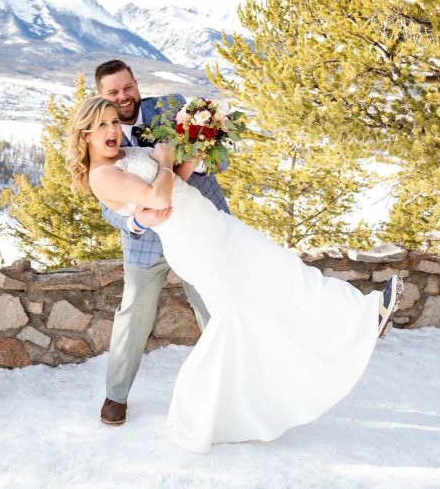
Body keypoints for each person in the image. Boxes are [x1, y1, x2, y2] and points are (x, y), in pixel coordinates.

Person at [67, 97, 403, 454]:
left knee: (279, 270)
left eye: (114, 122)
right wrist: (164, 162)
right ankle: (214, 407)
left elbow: (175, 184)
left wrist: (193, 153)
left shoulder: (123, 157)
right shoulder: (101, 175)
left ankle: (357, 318)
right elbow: (158, 197)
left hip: (212, 225)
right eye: (101, 125)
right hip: (195, 242)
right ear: (85, 134)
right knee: (244, 309)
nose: (112, 130)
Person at [93, 59, 231, 427]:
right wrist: (135, 221)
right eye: (113, 92)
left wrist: (199, 158)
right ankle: (115, 396)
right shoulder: (100, 135)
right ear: (101, 96)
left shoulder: (170, 106)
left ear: (137, 84)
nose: (123, 97)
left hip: (197, 227)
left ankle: (227, 386)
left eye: (127, 87)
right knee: (133, 314)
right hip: (145, 240)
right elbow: (104, 201)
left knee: (212, 306)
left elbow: (222, 161)